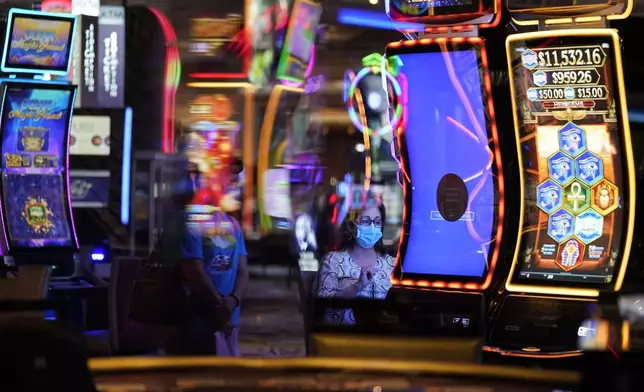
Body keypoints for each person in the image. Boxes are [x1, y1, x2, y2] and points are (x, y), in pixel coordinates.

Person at [314, 198, 395, 324]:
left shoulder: (393, 265)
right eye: (366, 221)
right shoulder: (333, 261)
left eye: (377, 222)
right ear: (351, 225)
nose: (373, 227)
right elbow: (323, 304)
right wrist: (357, 286)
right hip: (343, 336)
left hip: (385, 338)